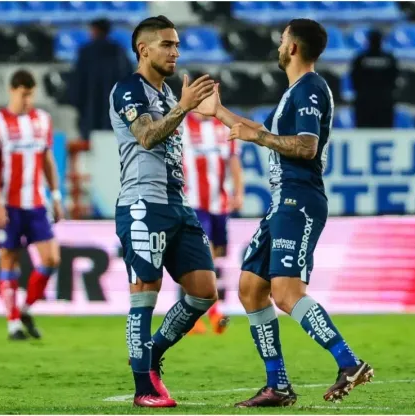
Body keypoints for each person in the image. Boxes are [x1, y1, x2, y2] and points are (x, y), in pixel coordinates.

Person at [196, 19, 373, 407]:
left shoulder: (310, 88)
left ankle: (350, 362)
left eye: (281, 40)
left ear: (292, 47)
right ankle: (277, 385)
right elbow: (262, 131)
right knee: (249, 288)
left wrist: (256, 136)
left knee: (286, 293)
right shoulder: (295, 91)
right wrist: (220, 113)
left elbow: (306, 147)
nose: (278, 45)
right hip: (283, 201)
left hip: (300, 199)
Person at [108, 15, 219, 408]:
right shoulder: (128, 89)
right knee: (144, 292)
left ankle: (150, 354)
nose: (175, 52)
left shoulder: (169, 95)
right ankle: (143, 387)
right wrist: (184, 109)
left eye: (177, 45)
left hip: (176, 203)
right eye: (167, 45)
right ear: (144, 49)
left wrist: (192, 108)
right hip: (142, 203)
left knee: (204, 292)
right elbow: (147, 136)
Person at [0, 70, 64, 341]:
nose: (28, 99)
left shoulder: (42, 120)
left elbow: (47, 160)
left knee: (51, 259)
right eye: (24, 94)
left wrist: (57, 195)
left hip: (37, 203)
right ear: (12, 91)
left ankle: (25, 308)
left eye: (31, 94)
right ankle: (13, 322)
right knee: (9, 258)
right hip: (9, 204)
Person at [181, 111, 244, 335]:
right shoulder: (182, 126)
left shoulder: (225, 126)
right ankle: (213, 314)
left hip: (220, 204)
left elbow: (234, 159)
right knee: (203, 256)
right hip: (193, 202)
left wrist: (239, 191)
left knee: (213, 256)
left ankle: (191, 311)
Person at [67, 18, 134, 141]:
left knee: (90, 145)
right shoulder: (119, 52)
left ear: (95, 30)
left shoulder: (86, 52)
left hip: (89, 110)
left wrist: (76, 101)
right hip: (115, 111)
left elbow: (78, 82)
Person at [350, 29, 399, 128]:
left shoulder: (360, 59)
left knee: (364, 130)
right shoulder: (389, 59)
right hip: (385, 101)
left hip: (364, 101)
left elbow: (354, 80)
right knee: (384, 130)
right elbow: (394, 80)